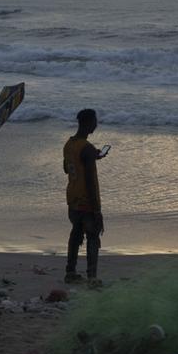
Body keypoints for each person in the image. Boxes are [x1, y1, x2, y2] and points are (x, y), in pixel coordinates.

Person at [63, 108, 105, 285]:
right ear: (88, 123)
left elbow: (66, 168)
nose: (96, 124)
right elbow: (89, 181)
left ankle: (70, 272)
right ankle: (92, 277)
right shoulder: (87, 148)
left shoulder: (69, 144)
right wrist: (97, 210)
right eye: (95, 121)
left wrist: (93, 157)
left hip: (72, 198)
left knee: (76, 234)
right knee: (93, 236)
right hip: (86, 200)